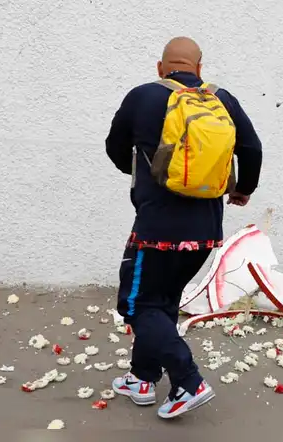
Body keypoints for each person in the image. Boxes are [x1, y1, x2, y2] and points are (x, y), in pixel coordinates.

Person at [103, 36, 263, 419]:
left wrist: (145, 171)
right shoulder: (222, 99)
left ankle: (188, 381)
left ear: (161, 68)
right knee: (163, 303)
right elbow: (252, 148)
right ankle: (142, 378)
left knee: (140, 305)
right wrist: (242, 190)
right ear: (199, 68)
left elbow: (114, 146)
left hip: (156, 230)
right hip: (206, 231)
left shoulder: (142, 96)